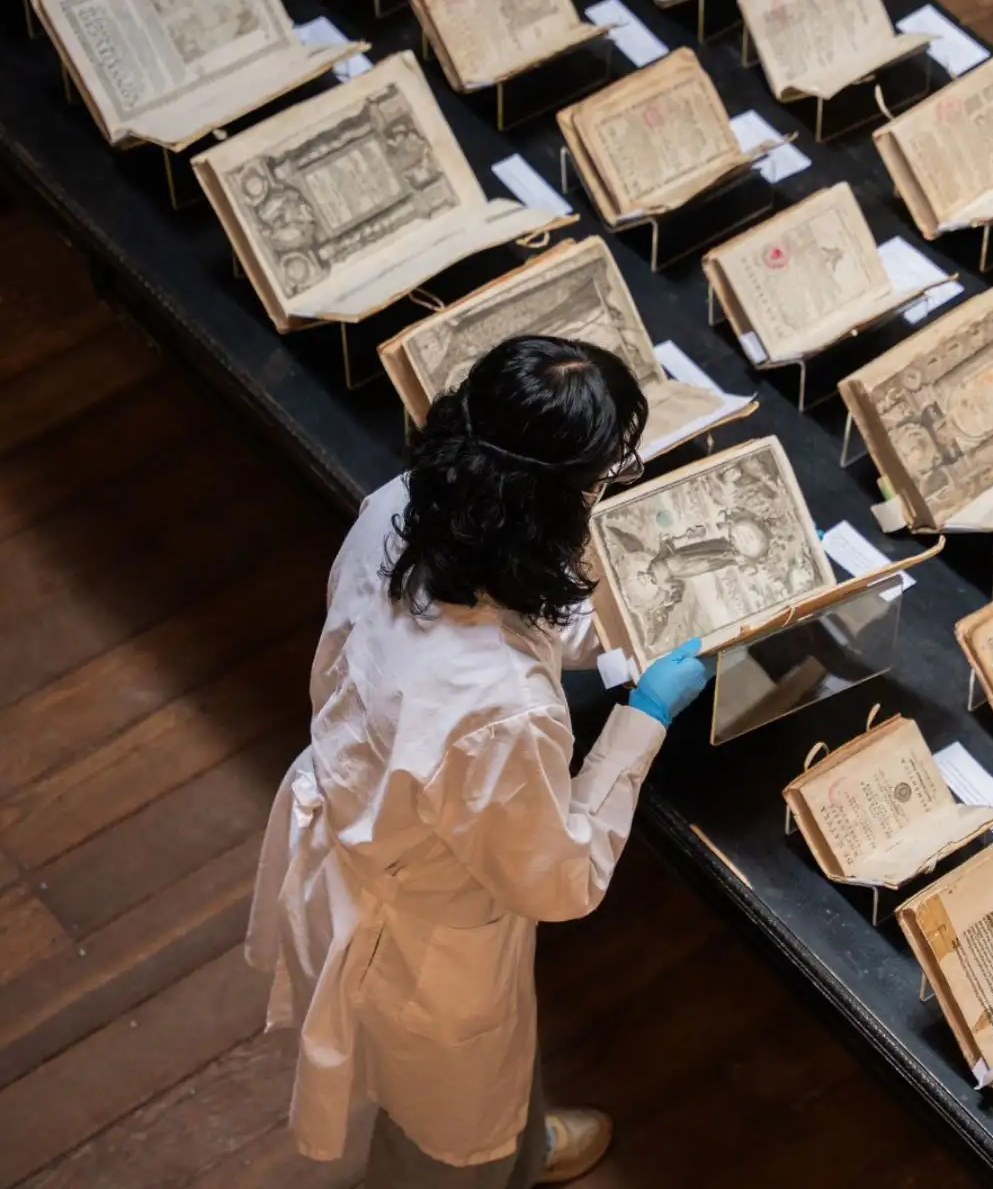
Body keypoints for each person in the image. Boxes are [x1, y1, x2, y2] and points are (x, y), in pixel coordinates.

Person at [246, 335, 713, 1188]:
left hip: (377, 851)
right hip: (423, 941)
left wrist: (624, 624)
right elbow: (557, 879)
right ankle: (489, 1160)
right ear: (551, 503)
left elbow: (512, 610)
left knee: (498, 1075)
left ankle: (521, 1146)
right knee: (448, 1146)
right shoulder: (499, 712)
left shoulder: (407, 507)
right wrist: (642, 719)